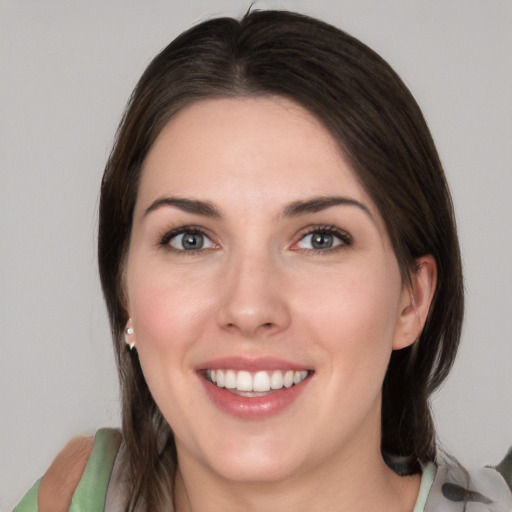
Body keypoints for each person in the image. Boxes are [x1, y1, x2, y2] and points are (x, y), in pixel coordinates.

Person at [14, 9, 512, 512]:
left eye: (320, 239)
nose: (249, 308)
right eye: (190, 239)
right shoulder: (73, 497)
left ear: (412, 300)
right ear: (126, 294)